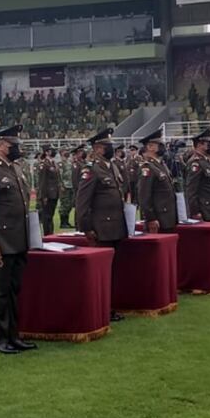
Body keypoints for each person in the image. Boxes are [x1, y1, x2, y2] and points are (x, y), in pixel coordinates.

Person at [0, 124, 37, 355]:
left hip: (18, 241)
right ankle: (0, 339)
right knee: (0, 293)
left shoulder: (15, 169)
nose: (17, 149)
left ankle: (14, 336)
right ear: (1, 145)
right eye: (14, 146)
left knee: (13, 292)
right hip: (2, 242)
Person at [75, 128, 127, 322]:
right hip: (101, 228)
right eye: (107, 146)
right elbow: (82, 202)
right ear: (98, 148)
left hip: (115, 226)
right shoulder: (92, 169)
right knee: (102, 274)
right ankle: (102, 308)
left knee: (112, 273)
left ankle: (110, 308)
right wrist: (86, 227)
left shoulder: (110, 167)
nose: (111, 148)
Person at [136, 129, 177, 233]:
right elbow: (144, 196)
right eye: (160, 144)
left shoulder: (160, 165)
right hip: (158, 219)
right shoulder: (148, 167)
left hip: (168, 217)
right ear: (150, 147)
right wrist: (151, 218)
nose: (163, 147)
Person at [185, 129, 210, 221]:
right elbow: (191, 190)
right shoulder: (196, 163)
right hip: (203, 210)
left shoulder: (205, 161)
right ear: (199, 145)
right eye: (208, 143)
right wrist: (195, 212)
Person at [36, 146, 60, 237]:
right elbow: (42, 181)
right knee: (46, 216)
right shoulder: (44, 164)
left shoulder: (53, 163)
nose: (53, 152)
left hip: (54, 193)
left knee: (51, 215)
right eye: (50, 150)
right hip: (48, 194)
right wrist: (43, 195)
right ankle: (47, 235)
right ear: (46, 152)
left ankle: (51, 233)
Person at [57, 147, 74, 229]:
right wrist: (61, 185)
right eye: (65, 151)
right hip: (65, 186)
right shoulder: (61, 163)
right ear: (61, 153)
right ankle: (63, 222)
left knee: (69, 205)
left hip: (71, 185)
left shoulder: (70, 162)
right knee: (64, 205)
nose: (67, 152)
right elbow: (59, 175)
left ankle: (66, 222)